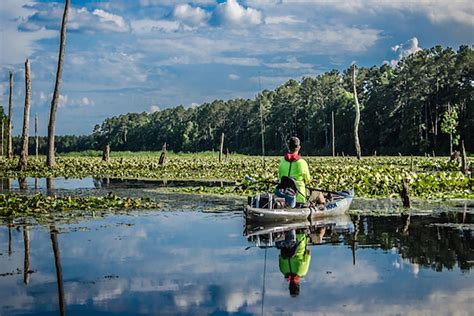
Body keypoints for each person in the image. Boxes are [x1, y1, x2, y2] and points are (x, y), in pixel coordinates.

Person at [276, 136, 324, 207]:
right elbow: (307, 180)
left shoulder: (282, 162)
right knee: (318, 192)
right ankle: (324, 208)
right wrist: (312, 180)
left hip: (285, 198)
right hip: (299, 199)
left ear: (289, 147)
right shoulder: (302, 163)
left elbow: (280, 179)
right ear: (299, 147)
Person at [277, 229, 311, 297]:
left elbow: (308, 253)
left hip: (300, 235)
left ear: (298, 285)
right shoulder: (282, 270)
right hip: (285, 235)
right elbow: (280, 256)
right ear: (289, 286)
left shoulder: (303, 272)